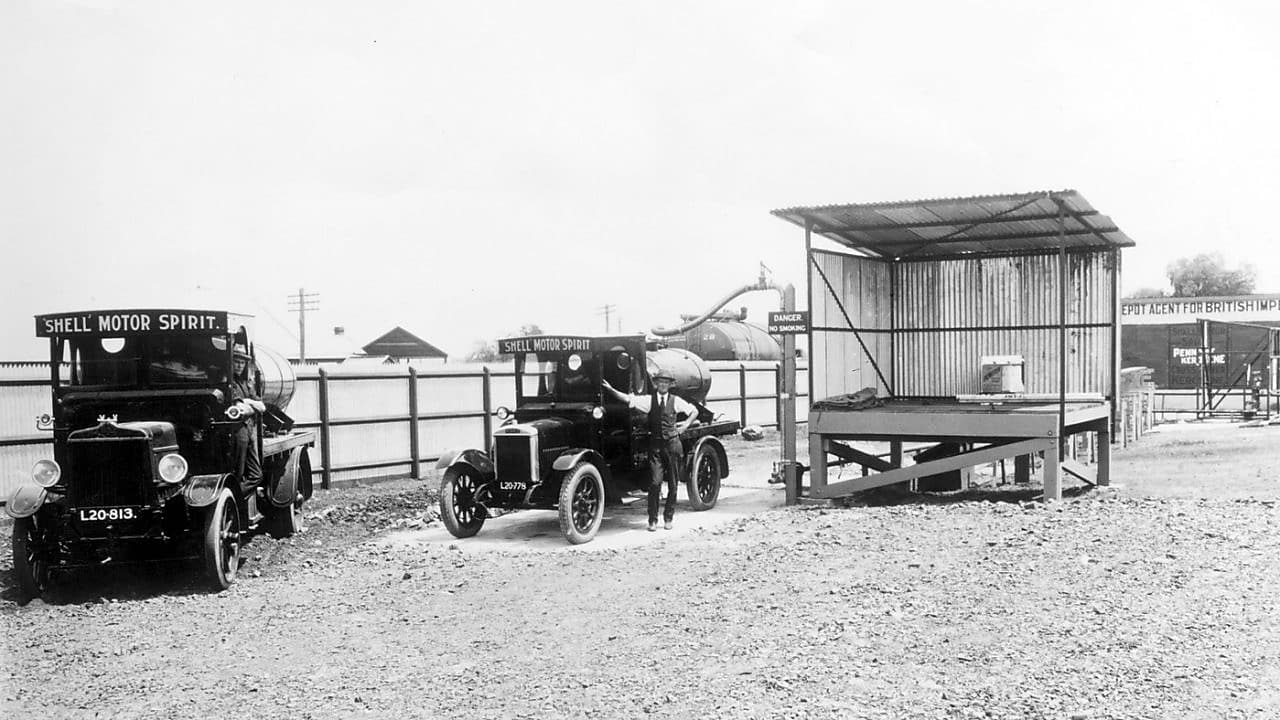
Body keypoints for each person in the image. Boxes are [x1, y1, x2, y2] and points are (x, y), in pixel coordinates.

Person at [601, 370, 697, 532]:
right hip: (656, 447)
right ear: (656, 384)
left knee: (673, 485)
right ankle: (652, 519)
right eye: (660, 382)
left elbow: (694, 411)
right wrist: (611, 390)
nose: (663, 385)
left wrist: (686, 425)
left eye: (666, 382)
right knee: (655, 483)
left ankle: (668, 518)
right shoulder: (649, 400)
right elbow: (628, 399)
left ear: (670, 385)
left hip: (673, 446)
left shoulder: (676, 401)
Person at [228, 343, 267, 494]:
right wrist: (251, 405)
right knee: (238, 472)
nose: (239, 365)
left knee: (256, 475)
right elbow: (240, 409)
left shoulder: (245, 383)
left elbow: (262, 407)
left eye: (242, 363)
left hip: (249, 431)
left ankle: (236, 496)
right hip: (239, 433)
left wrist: (247, 402)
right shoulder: (229, 382)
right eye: (236, 361)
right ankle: (234, 499)